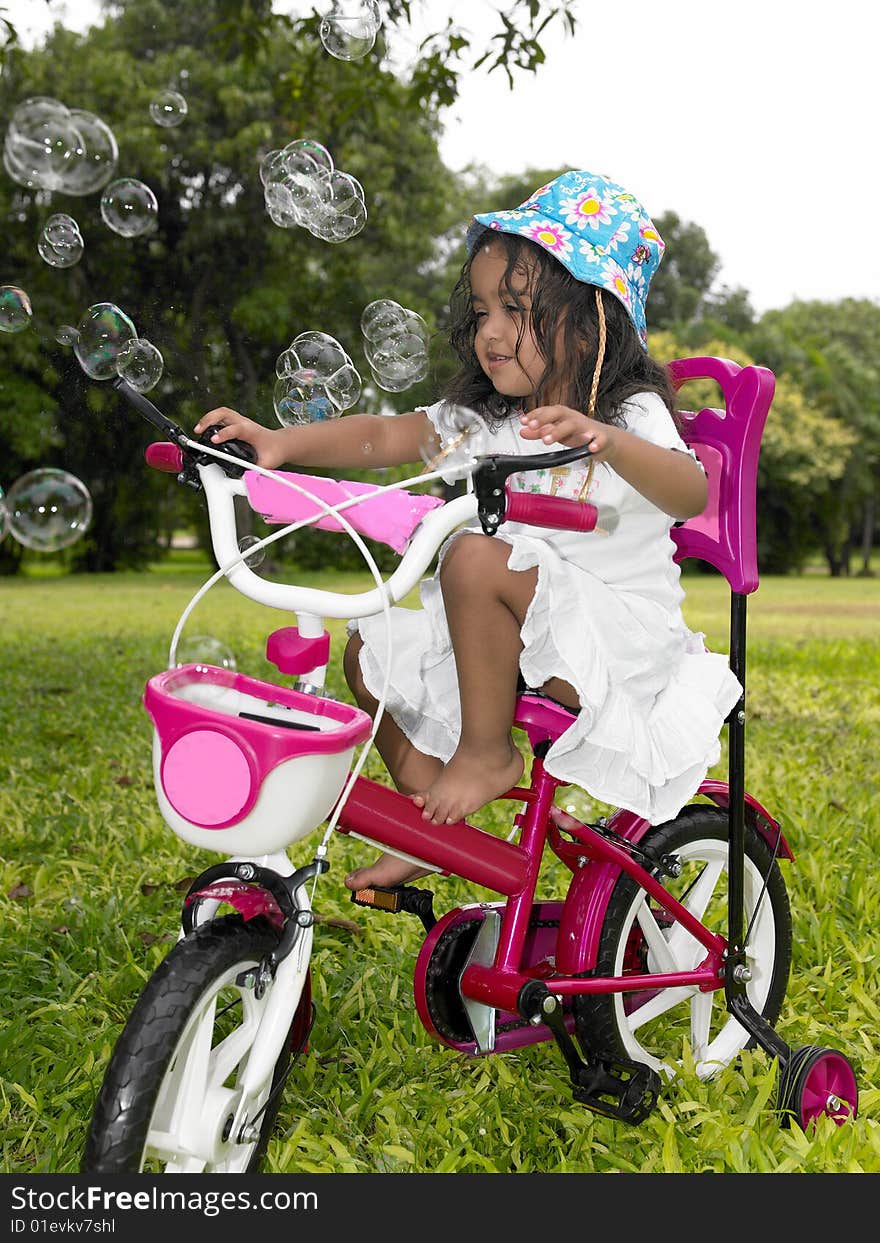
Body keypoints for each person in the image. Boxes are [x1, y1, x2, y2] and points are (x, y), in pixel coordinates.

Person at [194, 169, 743, 892]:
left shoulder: (628, 412)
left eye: (515, 310)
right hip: (518, 630)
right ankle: (426, 826)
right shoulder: (493, 417)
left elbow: (691, 488)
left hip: (614, 643)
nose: (488, 331)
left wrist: (605, 441)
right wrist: (277, 443)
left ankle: (487, 755)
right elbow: (390, 434)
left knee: (476, 554)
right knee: (370, 650)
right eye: (482, 310)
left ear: (592, 319)